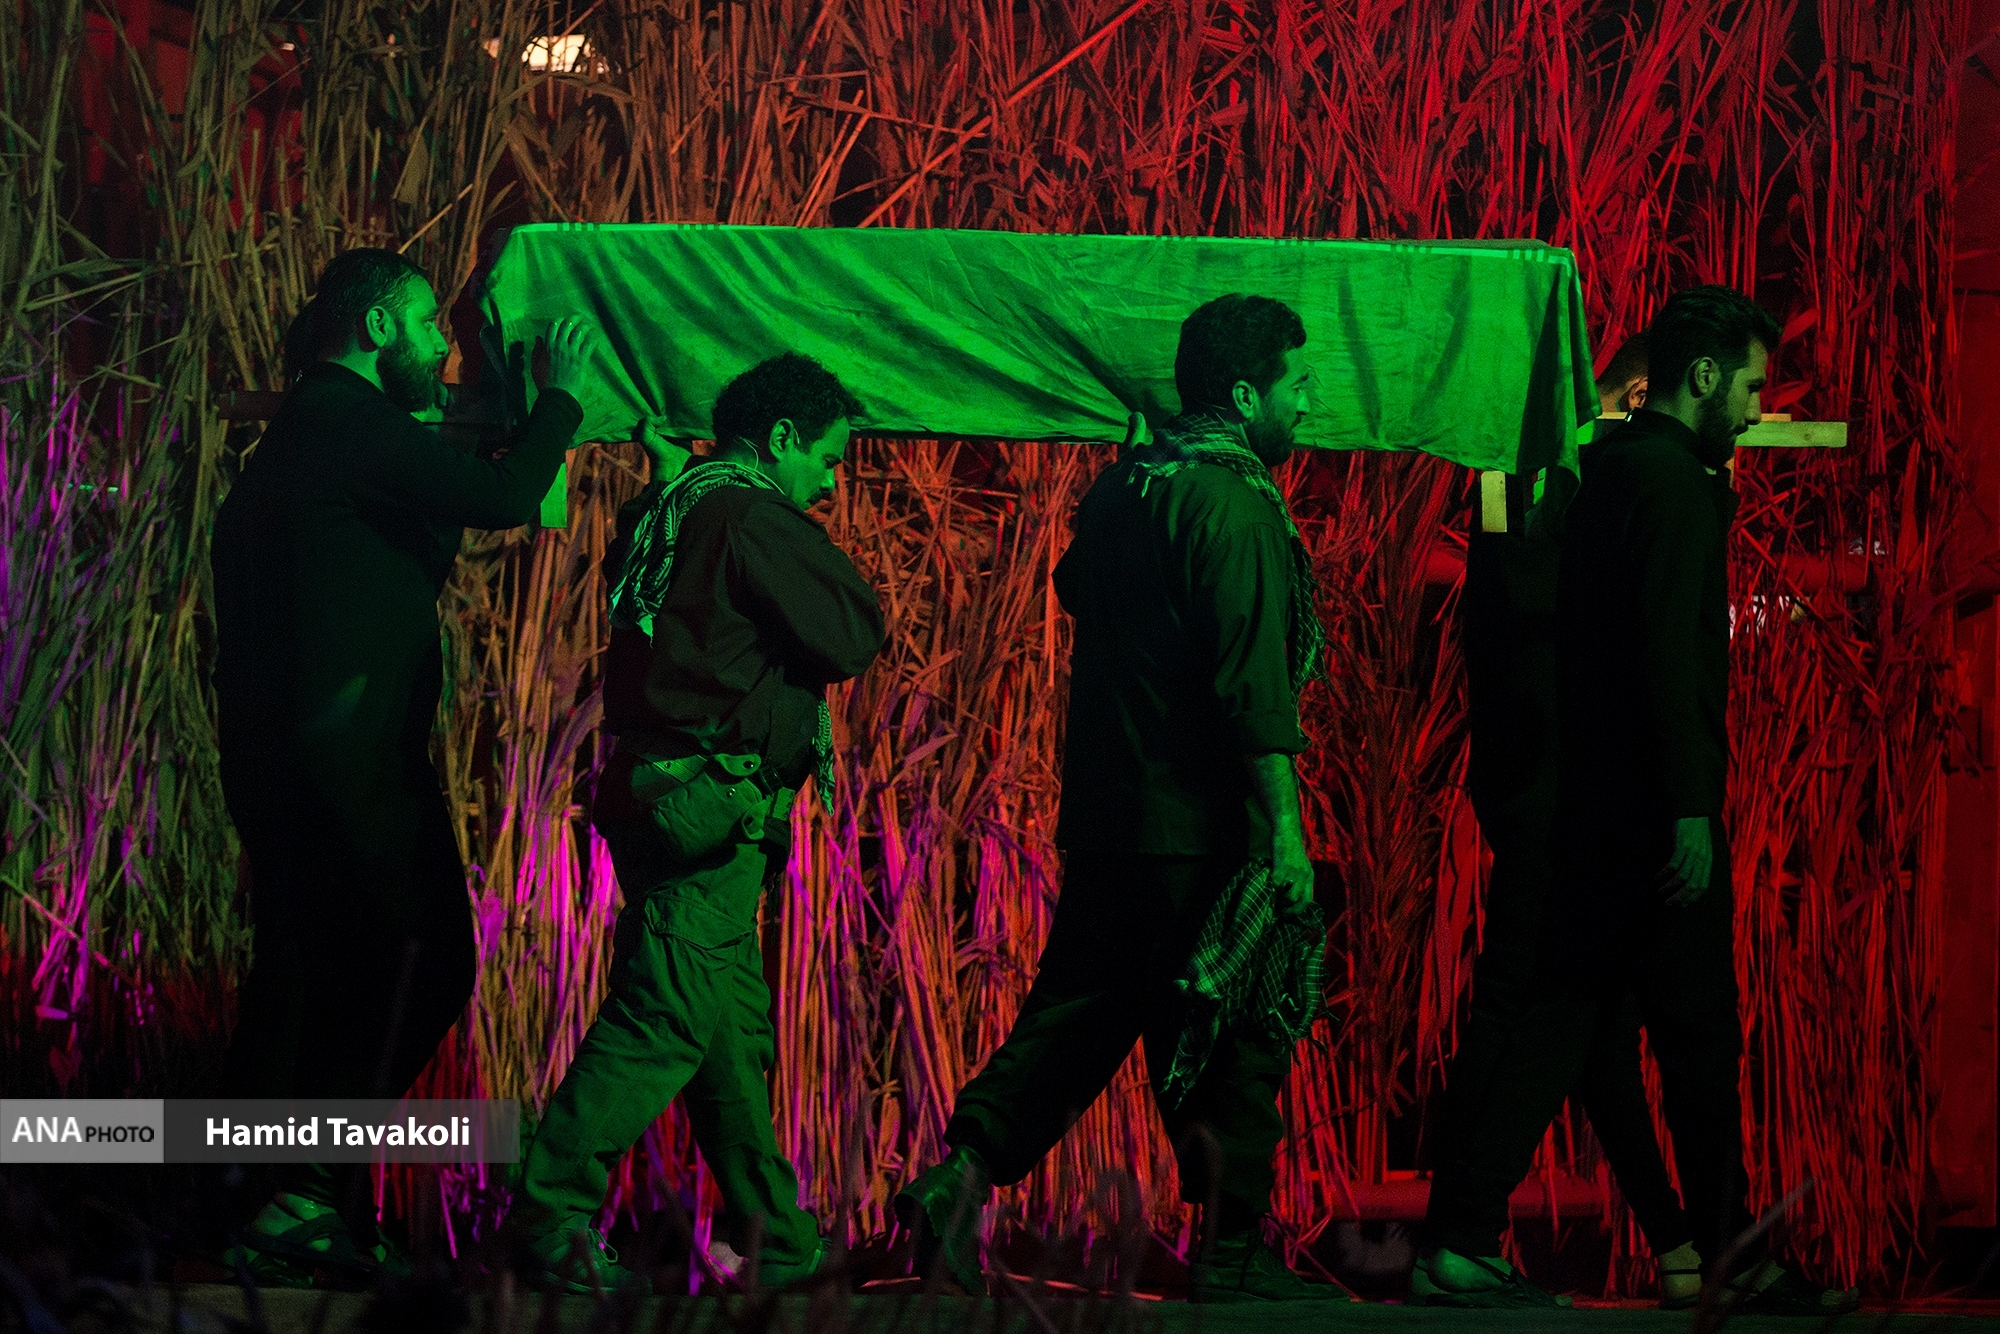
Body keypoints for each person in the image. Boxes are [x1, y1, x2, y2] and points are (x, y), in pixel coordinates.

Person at [1414, 285, 1857, 1316]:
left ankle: (1462, 1232)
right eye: (1749, 385)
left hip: (1587, 805)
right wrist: (1690, 805)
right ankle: (1726, 1251)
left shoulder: (1596, 476)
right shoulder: (1674, 487)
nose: (1755, 407)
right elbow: (1670, 655)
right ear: (1701, 376)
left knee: (1558, 1019)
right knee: (1698, 1038)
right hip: (1653, 815)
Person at [894, 295, 1342, 1305]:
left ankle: (958, 1176)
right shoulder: (1233, 506)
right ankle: (1230, 1253)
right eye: (1297, 384)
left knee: (1083, 1014)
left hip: (1109, 814)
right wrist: (1284, 832)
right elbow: (1252, 689)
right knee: (1232, 1034)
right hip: (1199, 825)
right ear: (1244, 397)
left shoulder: (1124, 486)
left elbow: (1073, 590)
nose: (1308, 403)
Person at [211, 248, 596, 1283]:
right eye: (428, 324)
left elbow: (408, 551)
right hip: (354, 764)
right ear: (376, 327)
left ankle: (259, 1205)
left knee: (302, 976)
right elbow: (504, 496)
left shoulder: (304, 439)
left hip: (278, 764)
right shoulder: (351, 422)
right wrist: (560, 402)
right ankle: (305, 1186)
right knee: (427, 962)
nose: (441, 347)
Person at [504, 353, 885, 1294]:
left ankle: (776, 1238)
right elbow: (851, 635)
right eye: (826, 460)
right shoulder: (749, 514)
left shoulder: (671, 507)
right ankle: (548, 1221)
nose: (830, 485)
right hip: (710, 808)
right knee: (664, 1015)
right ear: (782, 438)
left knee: (726, 1032)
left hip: (656, 793)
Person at [1413, 323, 1697, 1311]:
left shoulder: (1538, 479)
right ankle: (1458, 1236)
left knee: (1585, 1017)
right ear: (1636, 399)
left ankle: (1677, 1242)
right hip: (1555, 788)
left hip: (1541, 782)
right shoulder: (1555, 481)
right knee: (1537, 1005)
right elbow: (1533, 621)